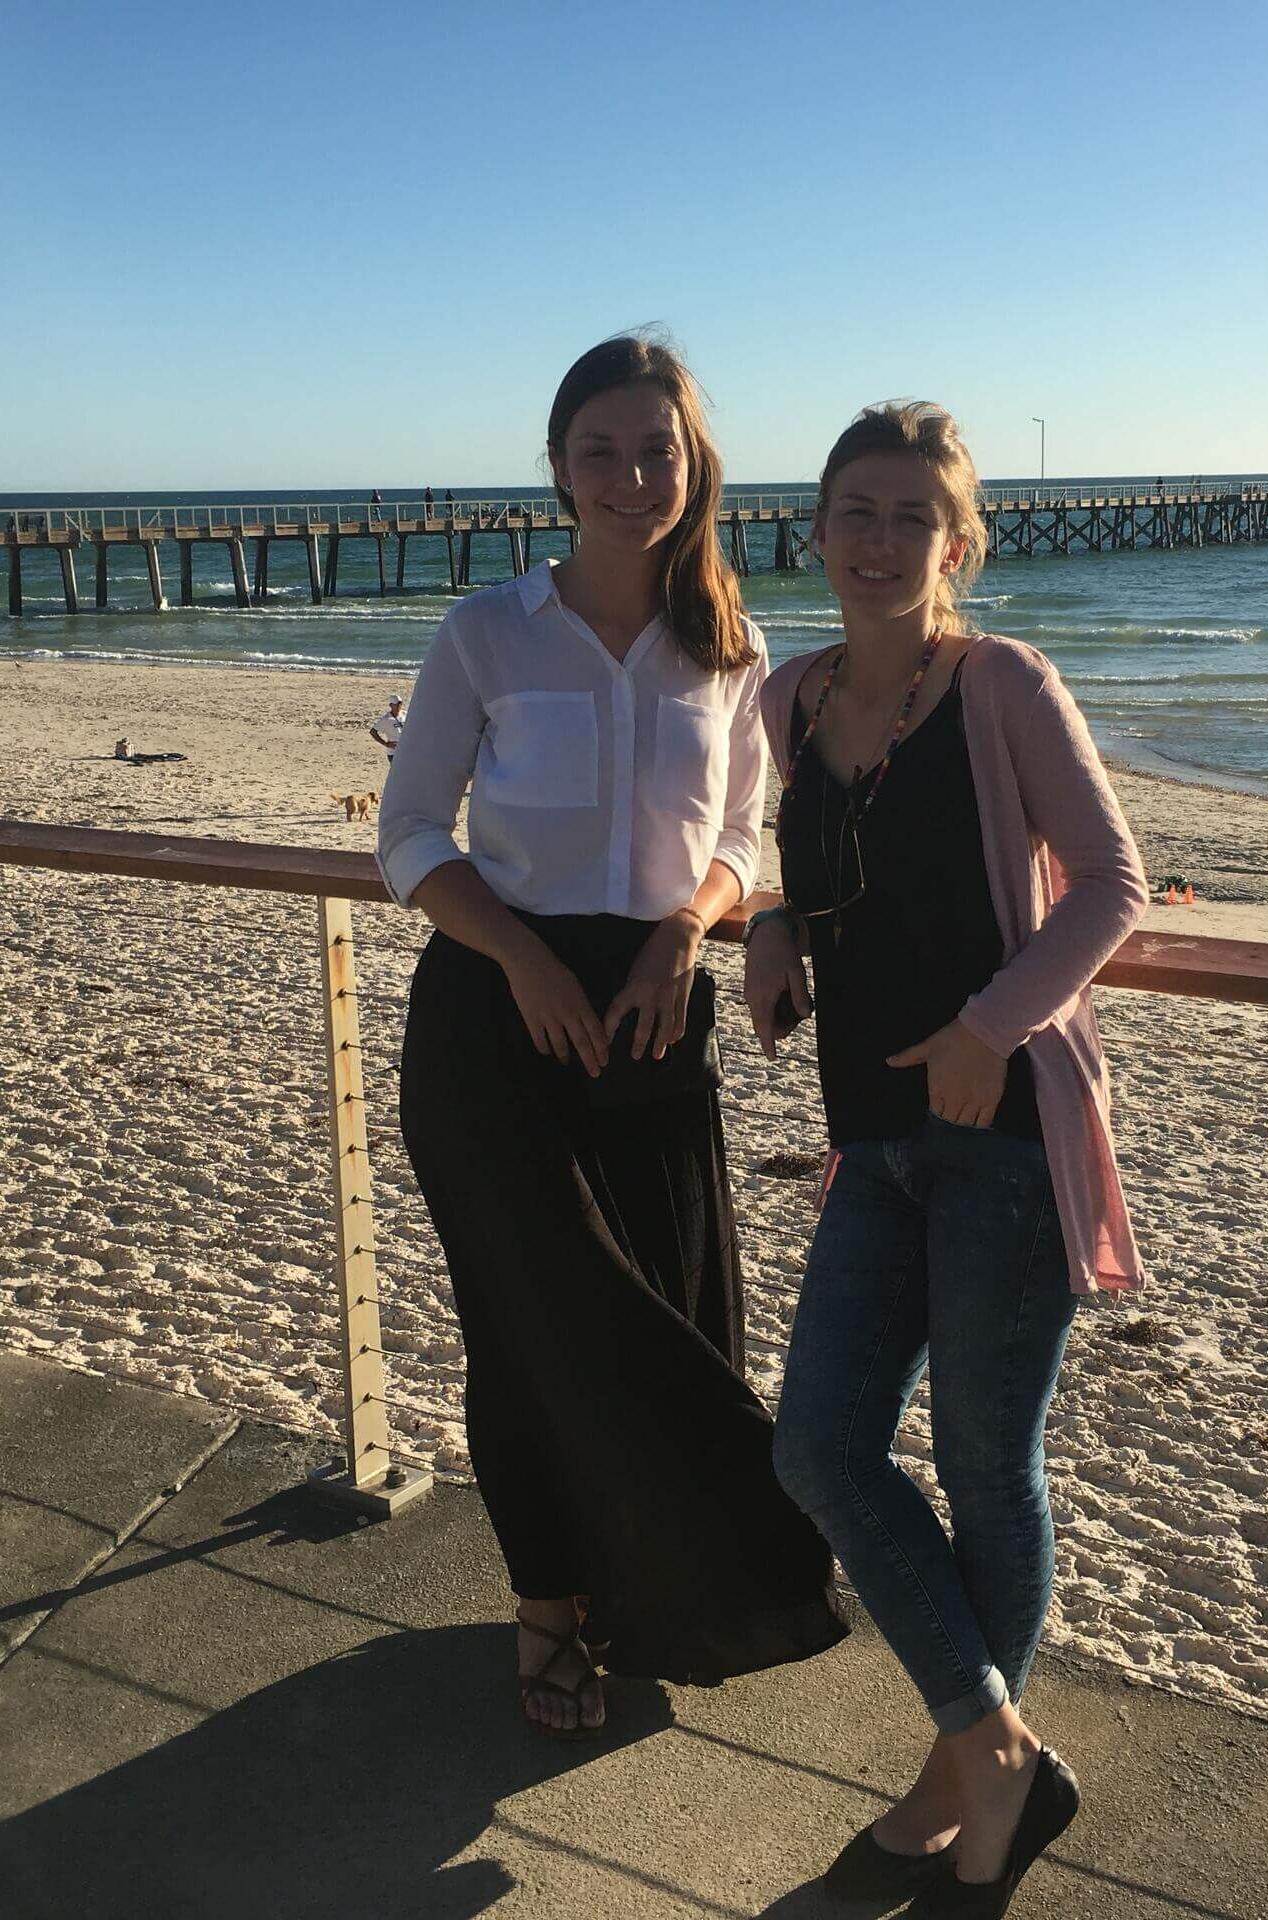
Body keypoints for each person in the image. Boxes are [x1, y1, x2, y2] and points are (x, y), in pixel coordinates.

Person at [377, 335, 848, 1741]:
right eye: (603, 450)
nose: (633, 476)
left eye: (660, 450)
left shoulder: (734, 644)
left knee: (671, 1317)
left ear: (695, 466)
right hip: (493, 1012)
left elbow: (741, 836)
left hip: (655, 1010)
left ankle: (658, 1597)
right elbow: (406, 834)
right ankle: (547, 1610)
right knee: (528, 1334)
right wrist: (518, 952)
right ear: (556, 467)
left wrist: (685, 932)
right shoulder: (485, 630)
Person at [743, 403, 1148, 1914]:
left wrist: (989, 1026)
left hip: (1002, 1142)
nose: (877, 537)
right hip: (870, 1140)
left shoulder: (1001, 685)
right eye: (853, 508)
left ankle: (956, 1775)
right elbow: (804, 867)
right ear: (813, 530)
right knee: (820, 1445)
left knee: (986, 1468)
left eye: (913, 514)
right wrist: (774, 928)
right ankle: (995, 1747)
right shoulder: (789, 699)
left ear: (958, 545)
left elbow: (1110, 889)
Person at [369, 695, 406, 761]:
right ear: (391, 705)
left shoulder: (405, 714)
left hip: (406, 750)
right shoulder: (386, 719)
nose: (398, 706)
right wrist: (385, 744)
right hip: (394, 753)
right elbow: (373, 732)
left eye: (399, 703)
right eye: (395, 704)